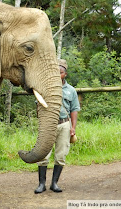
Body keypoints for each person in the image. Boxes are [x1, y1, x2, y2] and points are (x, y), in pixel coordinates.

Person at [34, 59, 80, 194]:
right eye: (55, 72)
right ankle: (41, 184)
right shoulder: (45, 88)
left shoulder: (71, 90)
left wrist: (73, 127)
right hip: (48, 125)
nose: (57, 75)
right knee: (43, 154)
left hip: (65, 124)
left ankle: (54, 183)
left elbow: (74, 110)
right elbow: (39, 105)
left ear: (65, 74)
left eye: (60, 73)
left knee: (61, 155)